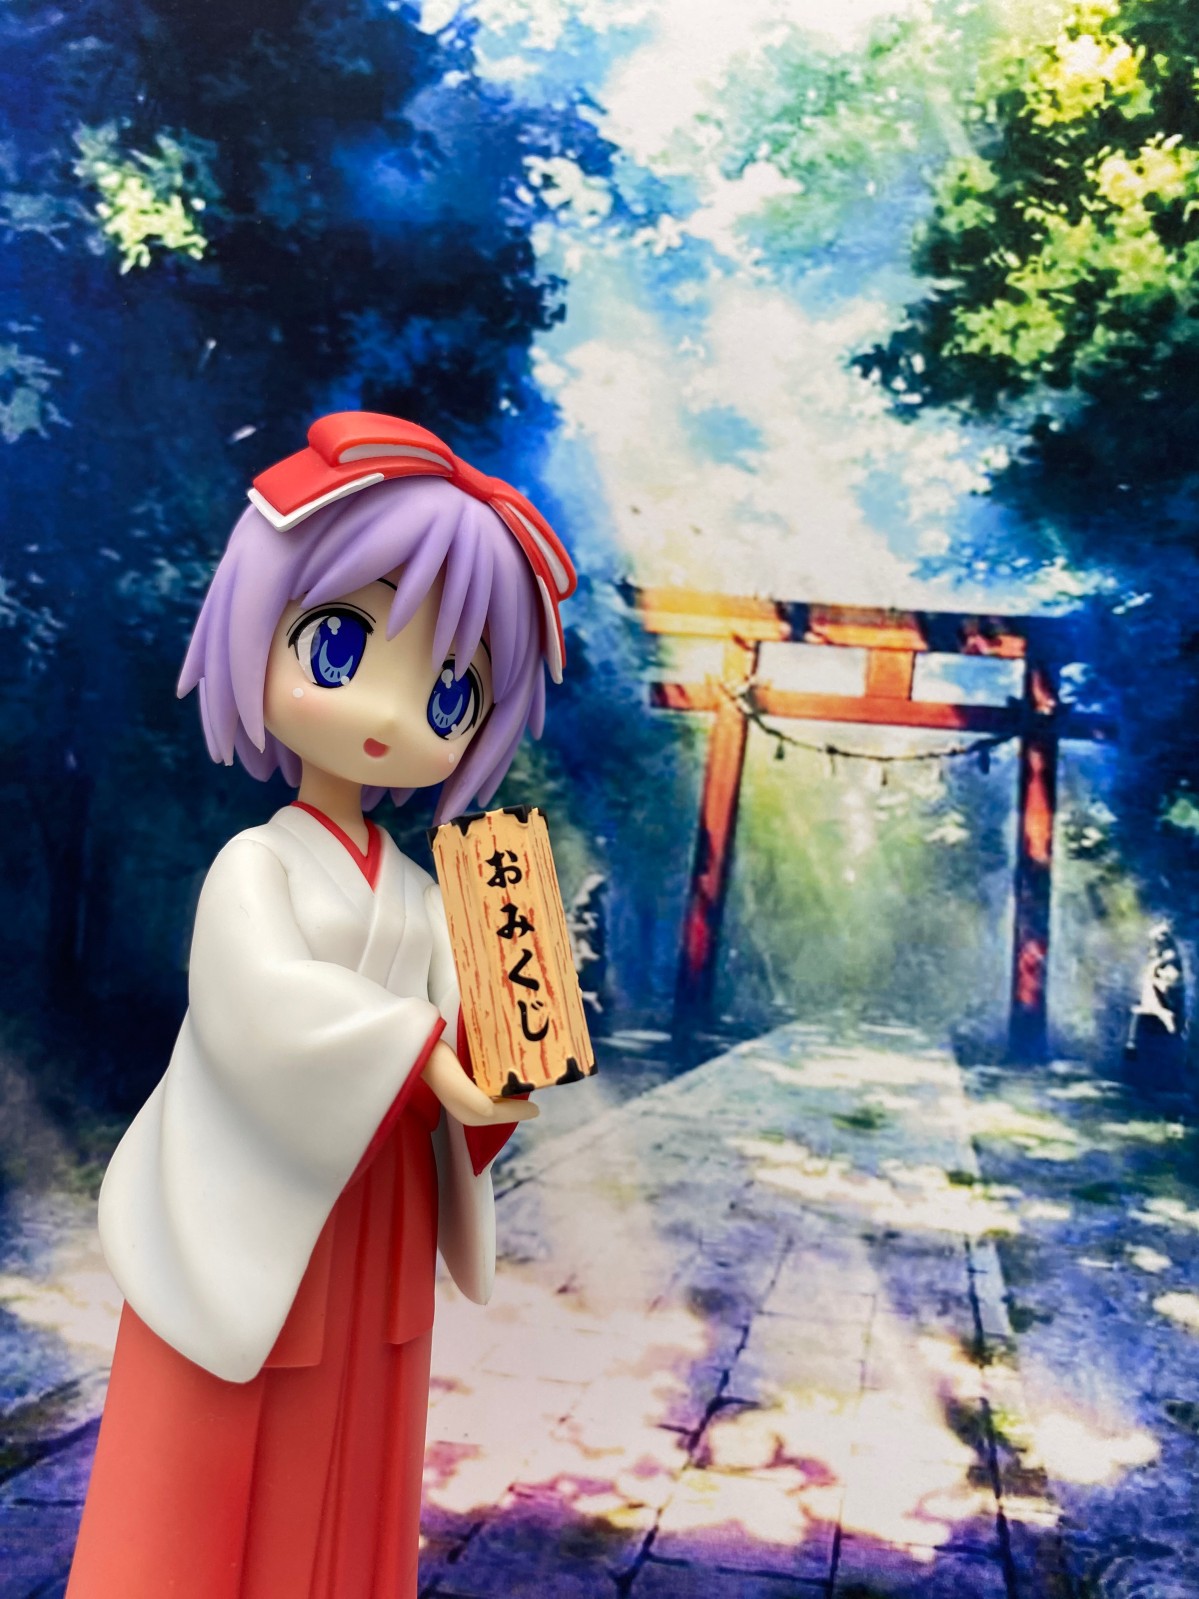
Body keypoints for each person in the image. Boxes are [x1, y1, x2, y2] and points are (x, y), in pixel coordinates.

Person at [66, 413, 578, 1599]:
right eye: (340, 646)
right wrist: (425, 1055)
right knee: (211, 1480)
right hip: (255, 1215)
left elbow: (475, 1047)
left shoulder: (427, 891)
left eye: (449, 691)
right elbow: (260, 1008)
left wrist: (504, 1065)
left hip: (378, 1214)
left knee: (353, 1457)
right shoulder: (256, 863)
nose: (392, 717)